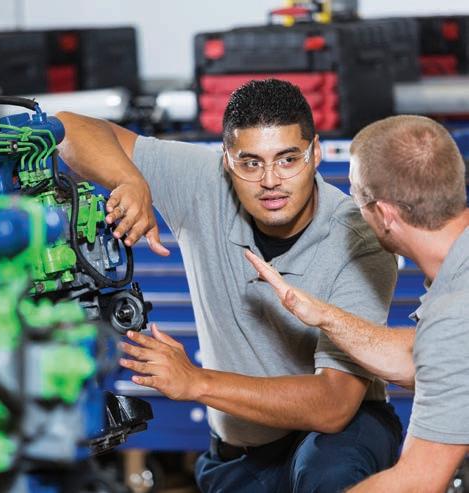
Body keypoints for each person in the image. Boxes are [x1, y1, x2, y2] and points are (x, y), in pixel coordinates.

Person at [57, 79, 402, 493]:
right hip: (241, 451)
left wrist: (196, 381)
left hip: (339, 438)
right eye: (250, 163)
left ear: (316, 153)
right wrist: (128, 179)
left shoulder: (358, 241)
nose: (270, 180)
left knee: (328, 472)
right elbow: (66, 128)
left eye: (288, 159)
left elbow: (334, 405)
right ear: (226, 160)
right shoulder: (204, 183)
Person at [246, 114, 469, 492]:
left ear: (385, 214)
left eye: (357, 197)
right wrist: (324, 316)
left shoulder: (454, 314)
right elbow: (429, 359)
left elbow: (417, 483)